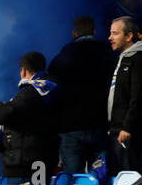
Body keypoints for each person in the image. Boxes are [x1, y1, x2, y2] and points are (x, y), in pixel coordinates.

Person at [48, 16, 116, 176]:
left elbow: (51, 93)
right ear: (94, 31)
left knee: (72, 179)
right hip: (101, 126)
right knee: (101, 177)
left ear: (73, 34)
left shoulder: (61, 59)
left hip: (70, 128)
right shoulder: (109, 54)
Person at [0, 52, 61, 185]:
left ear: (23, 71)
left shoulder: (33, 92)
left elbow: (3, 114)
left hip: (26, 165)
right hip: (39, 160)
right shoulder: (50, 90)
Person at [106, 17, 142, 174]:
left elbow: (140, 97)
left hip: (129, 132)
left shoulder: (141, 59)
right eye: (110, 33)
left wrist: (128, 126)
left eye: (115, 33)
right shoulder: (123, 58)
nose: (110, 38)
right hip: (115, 130)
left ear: (129, 36)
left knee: (130, 176)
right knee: (115, 177)